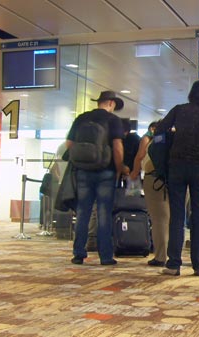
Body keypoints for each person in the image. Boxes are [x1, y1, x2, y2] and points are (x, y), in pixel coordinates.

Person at [155, 80, 199, 276]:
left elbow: (159, 130)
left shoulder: (179, 110)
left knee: (177, 215)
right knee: (198, 215)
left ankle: (174, 263)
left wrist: (172, 139)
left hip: (177, 166)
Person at [66, 90, 129, 266]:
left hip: (83, 171)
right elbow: (117, 147)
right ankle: (105, 256)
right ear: (111, 103)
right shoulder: (113, 120)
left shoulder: (81, 118)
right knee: (104, 214)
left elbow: (69, 144)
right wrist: (119, 168)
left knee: (83, 213)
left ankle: (78, 253)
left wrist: (81, 160)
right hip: (105, 172)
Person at [129, 121, 169, 267]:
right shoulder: (175, 136)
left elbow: (140, 156)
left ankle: (160, 256)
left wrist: (134, 173)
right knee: (175, 219)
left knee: (159, 219)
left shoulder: (149, 138)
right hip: (178, 179)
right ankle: (174, 255)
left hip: (155, 180)